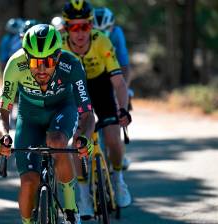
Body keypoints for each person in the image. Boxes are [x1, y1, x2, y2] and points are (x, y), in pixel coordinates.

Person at [0, 24, 95, 224]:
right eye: (34, 63)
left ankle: (70, 209)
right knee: (29, 182)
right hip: (29, 117)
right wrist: (4, 137)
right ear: (26, 58)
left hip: (62, 109)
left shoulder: (72, 65)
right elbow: (2, 110)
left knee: (57, 141)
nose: (41, 69)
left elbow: (87, 113)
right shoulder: (15, 65)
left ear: (57, 57)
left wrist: (83, 138)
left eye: (48, 62)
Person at [61, 0, 132, 220]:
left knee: (113, 138)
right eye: (74, 27)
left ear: (91, 26)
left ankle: (119, 180)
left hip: (100, 87)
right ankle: (83, 198)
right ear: (66, 28)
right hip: (75, 90)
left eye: (85, 26)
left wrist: (123, 109)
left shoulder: (101, 41)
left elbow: (119, 82)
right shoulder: (60, 46)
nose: (80, 32)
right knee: (77, 143)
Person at [93, 7, 133, 169]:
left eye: (106, 30)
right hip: (92, 76)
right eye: (97, 30)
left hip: (112, 74)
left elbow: (124, 66)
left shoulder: (117, 33)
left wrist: (123, 89)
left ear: (112, 26)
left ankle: (118, 150)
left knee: (118, 111)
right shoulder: (85, 36)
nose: (102, 33)